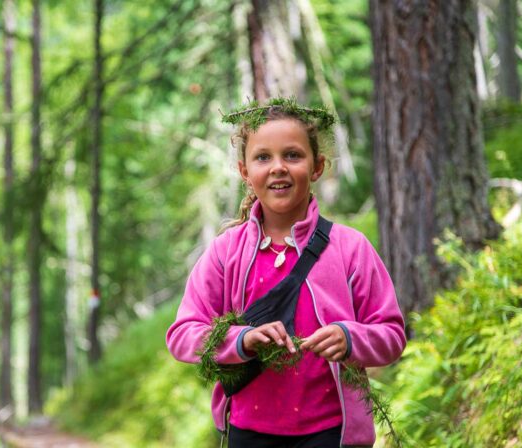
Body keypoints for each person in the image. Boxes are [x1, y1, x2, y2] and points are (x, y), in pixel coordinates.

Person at [166, 98, 406, 448]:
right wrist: (240, 340)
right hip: (247, 433)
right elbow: (183, 335)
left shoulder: (349, 248)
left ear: (317, 166)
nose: (278, 167)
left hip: (331, 434)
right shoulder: (225, 253)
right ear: (245, 171)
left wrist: (350, 337)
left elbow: (392, 335)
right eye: (263, 157)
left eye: (292, 155)